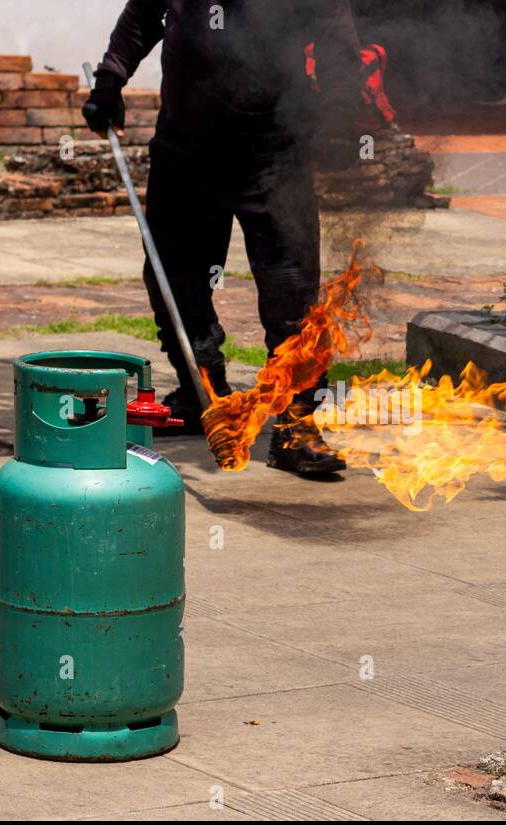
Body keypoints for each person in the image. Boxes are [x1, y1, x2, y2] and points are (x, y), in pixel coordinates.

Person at [83, 1, 365, 475]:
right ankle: (203, 393)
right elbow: (142, 17)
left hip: (274, 153)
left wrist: (339, 112)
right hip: (185, 148)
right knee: (175, 281)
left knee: (291, 294)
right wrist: (112, 77)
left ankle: (297, 425)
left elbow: (337, 38)